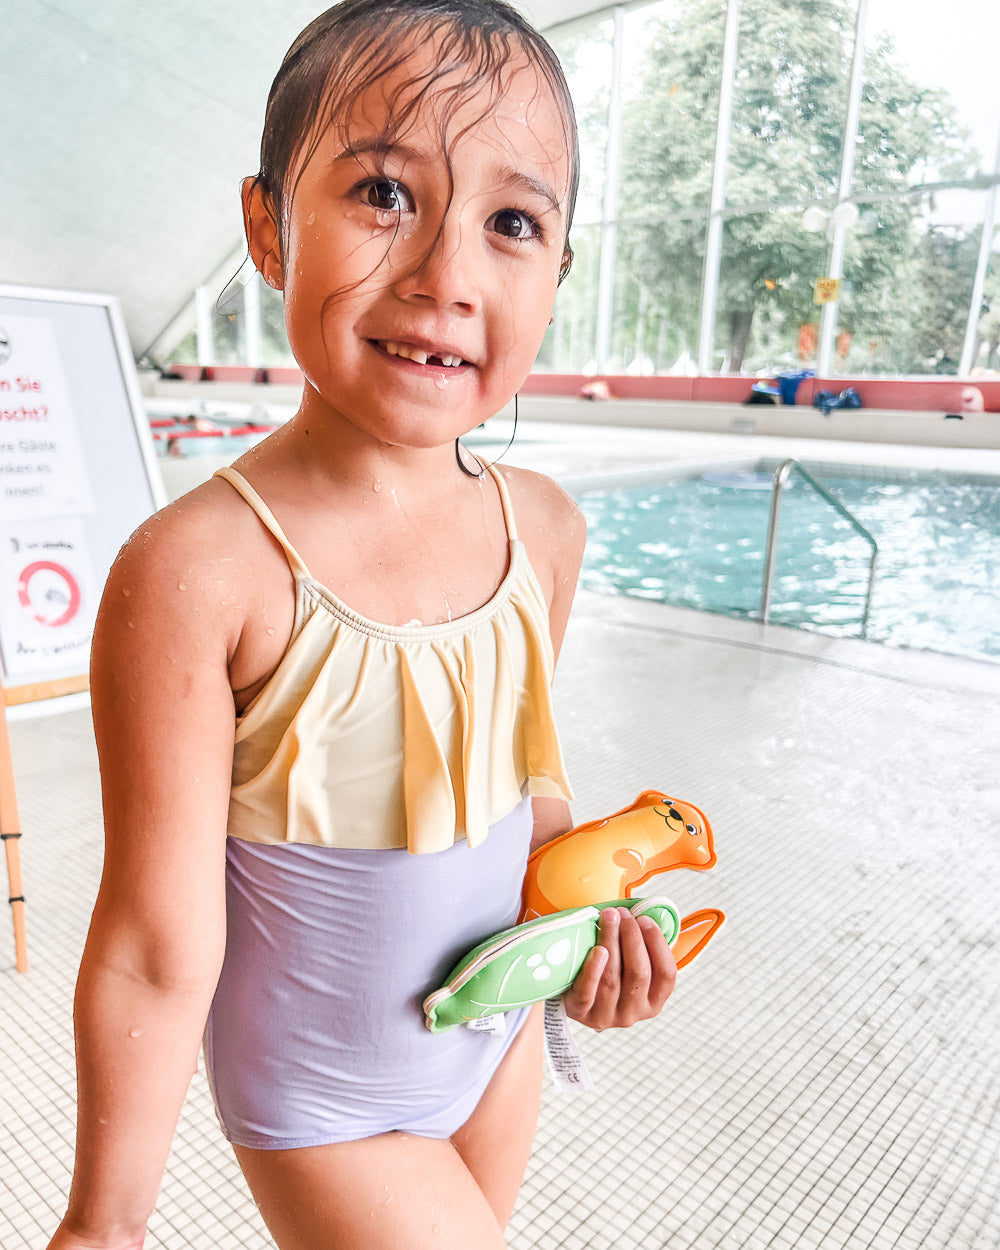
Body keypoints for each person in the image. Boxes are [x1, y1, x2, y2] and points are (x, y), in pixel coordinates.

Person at [48, 3, 677, 1247]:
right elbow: (154, 942)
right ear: (269, 228)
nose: (446, 276)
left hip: (489, 1050)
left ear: (556, 269)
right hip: (324, 1095)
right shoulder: (199, 571)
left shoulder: (542, 530)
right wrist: (104, 1220)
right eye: (385, 191)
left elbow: (524, 797)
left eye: (511, 222)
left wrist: (584, 940)